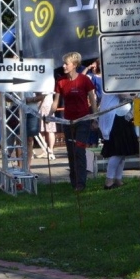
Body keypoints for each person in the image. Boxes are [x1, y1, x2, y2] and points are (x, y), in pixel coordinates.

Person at [49, 52, 97, 191]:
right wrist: (49, 115)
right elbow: (56, 102)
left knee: (79, 151)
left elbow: (92, 99)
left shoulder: (84, 80)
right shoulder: (61, 81)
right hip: (68, 122)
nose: (64, 66)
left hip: (83, 120)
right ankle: (74, 182)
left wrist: (94, 118)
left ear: (74, 65)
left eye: (66, 64)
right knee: (71, 152)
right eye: (63, 63)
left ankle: (81, 184)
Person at [100, 92, 138, 188]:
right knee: (117, 152)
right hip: (116, 118)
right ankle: (109, 181)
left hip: (122, 116)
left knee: (122, 152)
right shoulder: (114, 82)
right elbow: (122, 94)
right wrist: (134, 96)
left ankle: (118, 179)